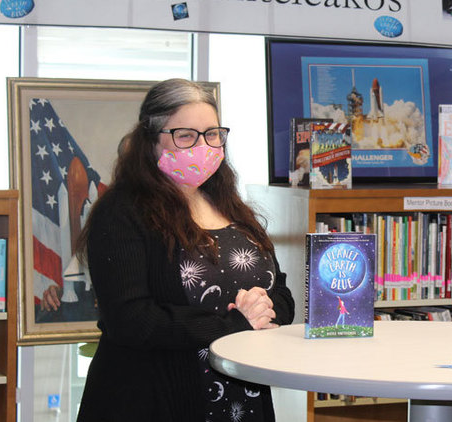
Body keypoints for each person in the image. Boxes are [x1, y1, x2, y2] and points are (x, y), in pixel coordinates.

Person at [75, 78, 294, 422]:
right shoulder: (121, 212)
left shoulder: (231, 206)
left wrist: (265, 310)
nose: (203, 146)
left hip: (242, 395)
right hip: (154, 399)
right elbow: (130, 320)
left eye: (212, 134)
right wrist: (235, 321)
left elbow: (279, 292)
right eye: (185, 135)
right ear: (151, 140)